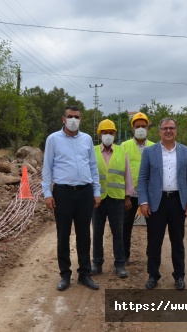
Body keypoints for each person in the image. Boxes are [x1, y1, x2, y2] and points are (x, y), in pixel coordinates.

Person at [42, 105, 101, 291]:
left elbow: (93, 166)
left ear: (81, 120)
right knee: (63, 234)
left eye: (76, 116)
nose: (73, 119)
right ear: (63, 119)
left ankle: (84, 274)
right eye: (70, 116)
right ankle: (65, 275)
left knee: (84, 234)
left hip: (85, 191)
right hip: (63, 192)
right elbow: (47, 168)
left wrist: (96, 191)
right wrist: (47, 193)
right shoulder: (53, 139)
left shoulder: (87, 139)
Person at [137, 117, 187, 290]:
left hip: (178, 201)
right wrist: (143, 201)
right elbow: (142, 179)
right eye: (165, 128)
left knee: (178, 241)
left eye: (171, 128)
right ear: (159, 131)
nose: (168, 131)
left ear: (176, 130)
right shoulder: (150, 151)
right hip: (157, 202)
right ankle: (153, 275)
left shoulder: (185, 151)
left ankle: (179, 275)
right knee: (154, 241)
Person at [91, 119, 134, 279]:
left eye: (110, 132)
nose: (108, 135)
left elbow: (127, 175)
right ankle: (97, 263)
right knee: (97, 233)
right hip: (97, 199)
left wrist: (128, 197)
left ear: (115, 134)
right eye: (104, 132)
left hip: (117, 199)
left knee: (118, 233)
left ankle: (120, 264)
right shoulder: (92, 151)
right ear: (99, 134)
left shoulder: (122, 152)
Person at [121, 112, 154, 264]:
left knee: (153, 228)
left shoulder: (155, 147)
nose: (140, 129)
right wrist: (125, 195)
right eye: (137, 126)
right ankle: (124, 255)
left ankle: (152, 256)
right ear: (133, 128)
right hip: (130, 194)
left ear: (148, 127)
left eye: (143, 126)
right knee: (125, 227)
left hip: (149, 196)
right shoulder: (124, 146)